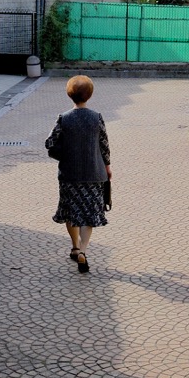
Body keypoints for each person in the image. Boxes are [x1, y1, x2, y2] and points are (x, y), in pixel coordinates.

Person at [45, 75, 111, 274]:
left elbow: (49, 143)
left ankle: (74, 246)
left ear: (69, 95)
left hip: (69, 174)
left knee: (71, 212)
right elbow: (104, 145)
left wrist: (64, 154)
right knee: (88, 215)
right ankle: (83, 250)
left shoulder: (63, 118)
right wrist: (107, 166)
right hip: (94, 173)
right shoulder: (96, 117)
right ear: (89, 95)